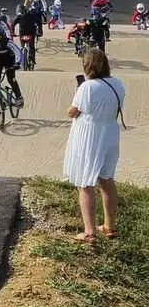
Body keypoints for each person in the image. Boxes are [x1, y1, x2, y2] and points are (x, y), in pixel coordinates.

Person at [62, 49, 124, 244]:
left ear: (88, 66)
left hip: (89, 136)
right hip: (110, 134)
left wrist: (78, 92)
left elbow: (72, 112)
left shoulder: (87, 87)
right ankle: (109, 226)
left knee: (85, 184)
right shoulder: (118, 84)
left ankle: (89, 232)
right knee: (106, 180)